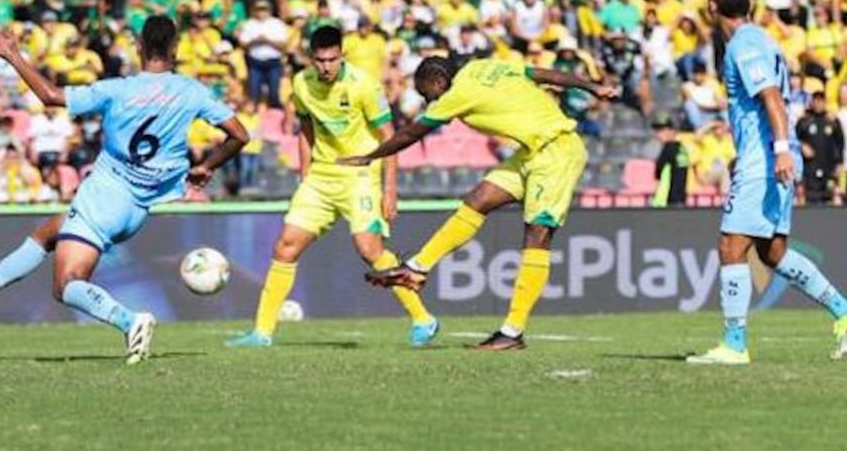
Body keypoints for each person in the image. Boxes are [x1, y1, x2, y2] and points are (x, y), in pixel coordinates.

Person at [0, 15, 249, 364]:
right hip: (137, 209)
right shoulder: (192, 91)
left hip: (106, 195)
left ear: (138, 47)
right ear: (175, 49)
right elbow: (240, 135)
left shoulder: (118, 89)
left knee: (66, 284)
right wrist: (207, 166)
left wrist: (13, 55)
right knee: (48, 232)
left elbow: (49, 95)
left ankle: (130, 320)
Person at [341, 55, 615, 350]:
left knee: (538, 234)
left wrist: (372, 156)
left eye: (426, 94)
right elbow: (544, 74)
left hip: (556, 152)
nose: (427, 102)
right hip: (530, 152)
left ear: (438, 81)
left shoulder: (456, 95)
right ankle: (418, 267)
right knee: (479, 199)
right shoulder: (482, 66)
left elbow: (412, 133)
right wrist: (591, 86)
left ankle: (512, 331)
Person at [686, 0, 847, 366]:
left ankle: (734, 345)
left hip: (766, 158)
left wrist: (781, 150)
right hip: (766, 156)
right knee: (773, 252)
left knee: (731, 247)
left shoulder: (745, 44)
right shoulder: (759, 39)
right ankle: (844, 310)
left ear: (713, 7)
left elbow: (771, 97)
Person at [227, 26, 438, 348]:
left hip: (361, 175)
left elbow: (390, 138)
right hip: (321, 178)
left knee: (370, 249)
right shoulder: (301, 83)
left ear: (343, 56)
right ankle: (261, 332)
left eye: (332, 60)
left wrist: (390, 190)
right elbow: (305, 129)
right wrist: (305, 174)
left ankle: (423, 318)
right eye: (320, 60)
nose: (326, 67)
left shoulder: (364, 86)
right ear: (311, 59)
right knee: (285, 247)